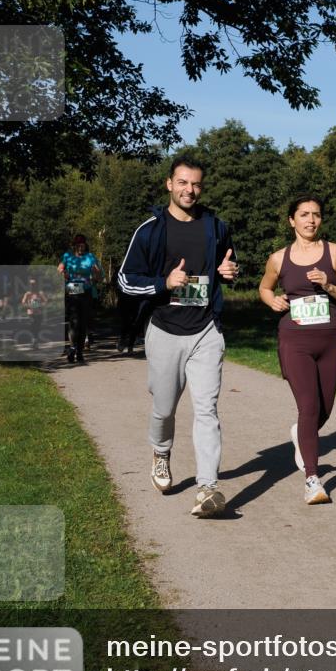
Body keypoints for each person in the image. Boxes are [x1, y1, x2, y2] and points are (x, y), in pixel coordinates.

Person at [118, 155, 239, 518]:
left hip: (206, 329)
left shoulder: (215, 226)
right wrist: (163, 283)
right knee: (164, 407)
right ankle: (161, 452)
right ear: (169, 184)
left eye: (196, 184)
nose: (190, 190)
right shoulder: (150, 230)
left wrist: (230, 271)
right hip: (165, 329)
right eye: (183, 183)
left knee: (207, 410)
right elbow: (125, 279)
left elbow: (230, 264)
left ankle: (208, 488)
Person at [259, 196, 336, 505]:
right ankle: (312, 479)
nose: (311, 220)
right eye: (304, 215)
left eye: (315, 215)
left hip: (330, 338)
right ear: (292, 220)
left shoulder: (335, 252)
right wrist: (271, 300)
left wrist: (328, 285)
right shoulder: (278, 258)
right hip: (294, 340)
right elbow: (264, 287)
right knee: (309, 407)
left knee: (325, 408)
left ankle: (301, 433)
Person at [57, 235, 102, 364]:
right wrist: (62, 272)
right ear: (74, 246)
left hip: (87, 290)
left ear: (85, 245)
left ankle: (80, 351)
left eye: (82, 245)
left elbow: (99, 276)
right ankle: (72, 347)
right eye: (78, 245)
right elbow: (59, 269)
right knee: (74, 321)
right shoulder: (68, 256)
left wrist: (96, 272)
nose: (80, 247)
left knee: (82, 322)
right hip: (73, 287)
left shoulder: (90, 257)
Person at [21, 278, 48, 349]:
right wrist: (29, 306)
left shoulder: (40, 293)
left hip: (39, 313)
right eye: (31, 284)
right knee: (33, 326)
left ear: (36, 285)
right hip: (31, 313)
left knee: (37, 327)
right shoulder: (27, 294)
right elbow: (23, 302)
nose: (32, 286)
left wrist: (40, 305)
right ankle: (34, 340)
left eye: (33, 284)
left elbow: (45, 301)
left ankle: (35, 341)